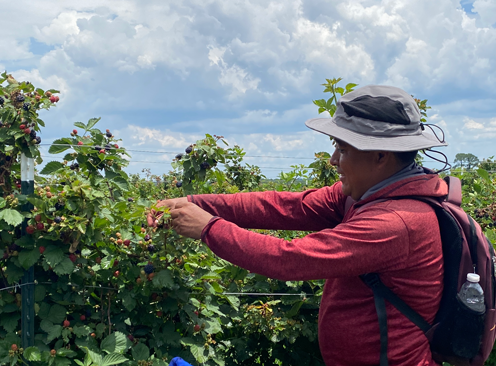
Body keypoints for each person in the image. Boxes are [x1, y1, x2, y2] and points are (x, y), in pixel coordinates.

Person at [153, 85, 449, 366]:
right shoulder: (370, 194)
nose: (333, 160)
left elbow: (289, 259)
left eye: (343, 150)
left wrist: (208, 227)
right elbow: (284, 206)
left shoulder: (396, 223)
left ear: (380, 156)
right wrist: (194, 201)